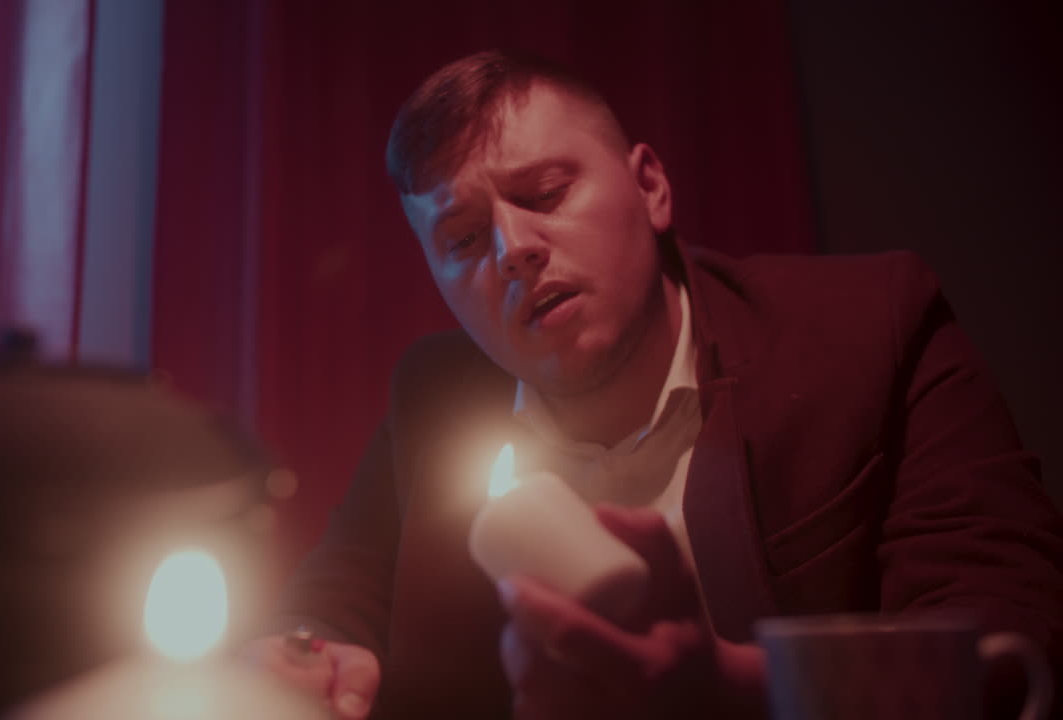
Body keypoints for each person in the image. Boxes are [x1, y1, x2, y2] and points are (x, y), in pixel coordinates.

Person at [243, 49, 1063, 719]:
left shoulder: (869, 328)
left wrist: (736, 690)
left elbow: (1010, 643)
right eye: (461, 237)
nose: (513, 249)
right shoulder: (435, 394)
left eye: (546, 194)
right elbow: (336, 596)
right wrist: (303, 651)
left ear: (651, 187)